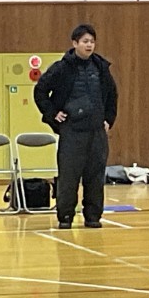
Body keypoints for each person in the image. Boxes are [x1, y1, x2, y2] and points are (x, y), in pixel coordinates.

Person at [34, 23, 118, 229]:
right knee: (69, 177)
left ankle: (93, 216)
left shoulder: (101, 68)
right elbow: (40, 91)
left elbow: (112, 95)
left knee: (95, 176)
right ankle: (65, 216)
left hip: (96, 131)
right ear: (75, 43)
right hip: (72, 131)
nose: (89, 45)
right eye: (85, 41)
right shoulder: (61, 68)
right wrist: (53, 114)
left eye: (92, 42)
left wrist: (109, 119)